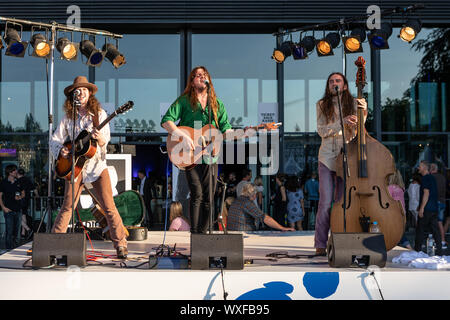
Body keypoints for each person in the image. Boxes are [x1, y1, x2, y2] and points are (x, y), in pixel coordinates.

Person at [161, 66, 249, 234]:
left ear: (209, 79)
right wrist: (183, 137)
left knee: (209, 196)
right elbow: (167, 121)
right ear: (192, 82)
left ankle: (205, 235)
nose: (201, 77)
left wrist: (243, 132)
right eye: (197, 75)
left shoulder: (216, 104)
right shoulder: (185, 100)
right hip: (190, 156)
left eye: (204, 75)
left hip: (210, 156)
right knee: (197, 194)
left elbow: (226, 131)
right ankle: (195, 234)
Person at [50, 76, 128, 259]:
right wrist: (61, 150)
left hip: (96, 167)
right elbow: (54, 139)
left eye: (84, 90)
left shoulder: (99, 114)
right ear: (73, 96)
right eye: (78, 91)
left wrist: (99, 137)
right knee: (68, 207)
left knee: (108, 206)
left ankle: (121, 245)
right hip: (75, 169)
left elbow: (104, 141)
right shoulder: (68, 118)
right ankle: (53, 245)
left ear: (90, 94)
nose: (81, 93)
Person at [315, 72, 367, 256]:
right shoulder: (322, 105)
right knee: (326, 202)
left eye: (338, 81)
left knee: (343, 202)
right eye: (331, 81)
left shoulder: (353, 103)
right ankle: (320, 244)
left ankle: (341, 240)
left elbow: (361, 130)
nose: (334, 83)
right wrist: (340, 123)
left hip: (348, 157)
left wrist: (363, 112)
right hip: (327, 158)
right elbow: (321, 131)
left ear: (345, 85)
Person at [227, 183, 295, 232]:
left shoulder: (238, 200)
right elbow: (265, 218)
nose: (256, 196)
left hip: (233, 232)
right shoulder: (247, 203)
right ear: (253, 194)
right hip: (243, 234)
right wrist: (282, 228)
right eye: (256, 194)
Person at [414, 160, 442, 255]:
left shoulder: (425, 178)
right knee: (435, 231)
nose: (418, 167)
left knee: (420, 230)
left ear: (425, 168)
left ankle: (417, 251)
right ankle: (440, 251)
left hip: (427, 209)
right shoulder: (432, 178)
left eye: (420, 166)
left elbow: (426, 193)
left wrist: (421, 208)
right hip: (434, 208)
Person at [0, 165, 25, 250]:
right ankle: (8, 249)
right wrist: (3, 207)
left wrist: (20, 197)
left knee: (17, 232)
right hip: (8, 210)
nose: (16, 172)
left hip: (18, 210)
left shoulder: (19, 182)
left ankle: (16, 248)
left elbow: (23, 193)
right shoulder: (3, 182)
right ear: (10, 172)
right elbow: (0, 196)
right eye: (14, 171)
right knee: (9, 231)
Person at [388, 170, 412, 250]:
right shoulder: (402, 187)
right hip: (402, 212)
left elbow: (388, 200)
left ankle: (408, 247)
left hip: (394, 212)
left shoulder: (390, 188)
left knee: (396, 231)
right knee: (399, 231)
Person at [430, 163, 447, 249]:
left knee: (436, 223)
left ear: (432, 169)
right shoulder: (442, 177)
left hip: (436, 202)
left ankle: (437, 241)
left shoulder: (432, 177)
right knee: (440, 222)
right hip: (443, 201)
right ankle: (442, 241)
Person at [17, 168, 37, 239]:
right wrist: (37, 196)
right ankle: (23, 233)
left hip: (19, 200)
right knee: (23, 215)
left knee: (17, 216)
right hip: (26, 200)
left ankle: (28, 229)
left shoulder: (17, 181)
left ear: (17, 174)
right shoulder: (27, 180)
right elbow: (34, 189)